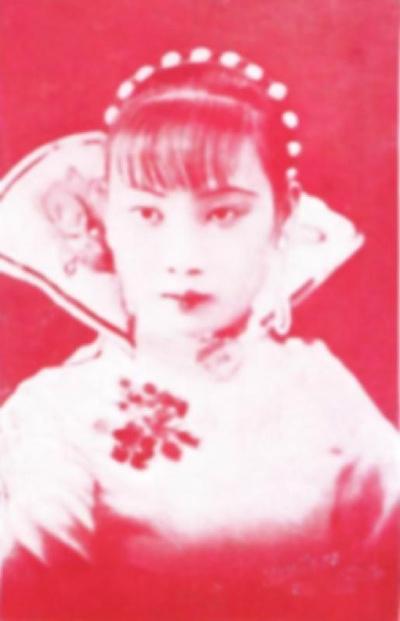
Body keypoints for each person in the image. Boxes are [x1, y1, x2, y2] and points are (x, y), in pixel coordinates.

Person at [0, 48, 399, 620]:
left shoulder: (321, 388)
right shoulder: (57, 410)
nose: (183, 257)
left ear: (282, 216)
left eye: (222, 214)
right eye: (147, 214)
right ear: (106, 218)